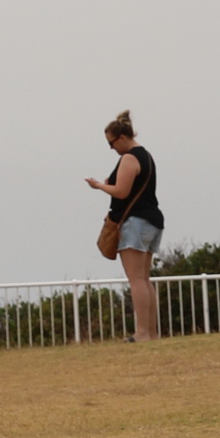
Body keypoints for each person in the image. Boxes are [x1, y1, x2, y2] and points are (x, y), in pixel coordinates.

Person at [88, 111, 165, 339]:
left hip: (136, 222)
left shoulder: (130, 158)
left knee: (137, 279)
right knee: (144, 278)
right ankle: (150, 332)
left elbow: (121, 192)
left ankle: (142, 333)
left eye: (112, 143)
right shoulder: (146, 157)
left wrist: (99, 186)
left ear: (122, 137)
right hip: (152, 221)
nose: (112, 148)